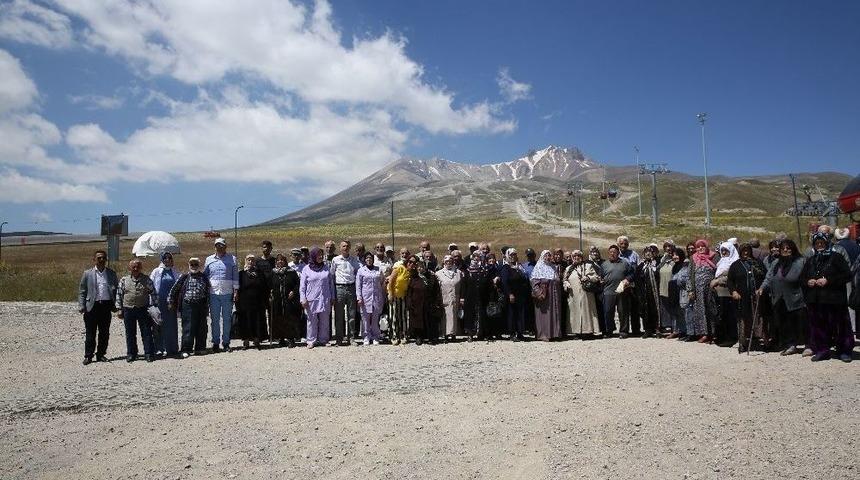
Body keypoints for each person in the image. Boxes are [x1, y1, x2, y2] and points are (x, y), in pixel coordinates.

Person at [802, 232, 854, 362]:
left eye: (822, 243)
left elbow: (847, 275)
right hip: (816, 300)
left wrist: (828, 281)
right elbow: (802, 278)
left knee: (841, 325)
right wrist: (808, 281)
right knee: (818, 326)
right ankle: (822, 350)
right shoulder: (811, 260)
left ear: (827, 243)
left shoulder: (836, 257)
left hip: (835, 299)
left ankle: (844, 351)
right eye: (817, 243)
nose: (820, 245)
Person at [758, 239, 806, 355]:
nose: (785, 250)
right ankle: (790, 344)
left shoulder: (801, 261)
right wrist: (762, 288)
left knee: (800, 323)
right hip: (779, 297)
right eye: (783, 248)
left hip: (797, 297)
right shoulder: (776, 263)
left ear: (793, 248)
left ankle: (808, 345)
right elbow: (769, 278)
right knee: (785, 323)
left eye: (788, 248)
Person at [78, 250, 118, 365]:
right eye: (99, 258)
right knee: (90, 333)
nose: (101, 260)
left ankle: (101, 354)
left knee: (104, 332)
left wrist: (117, 305)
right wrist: (81, 305)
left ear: (106, 260)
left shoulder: (111, 273)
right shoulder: (87, 274)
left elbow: (116, 290)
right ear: (94, 259)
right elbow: (82, 291)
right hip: (92, 307)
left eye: (103, 258)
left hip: (106, 306)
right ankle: (88, 356)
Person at [727, 243, 767, 353]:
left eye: (747, 250)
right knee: (743, 319)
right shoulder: (736, 265)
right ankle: (743, 342)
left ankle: (762, 341)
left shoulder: (757, 263)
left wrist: (761, 288)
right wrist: (734, 291)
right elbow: (730, 280)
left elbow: (765, 276)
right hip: (742, 297)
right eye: (743, 251)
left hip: (757, 296)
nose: (746, 253)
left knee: (759, 317)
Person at [168, 257, 210, 357]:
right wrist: (170, 302)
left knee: (201, 327)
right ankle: (186, 349)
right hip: (188, 305)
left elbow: (208, 290)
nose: (194, 266)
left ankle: (200, 348)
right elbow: (173, 290)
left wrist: (207, 306)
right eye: (192, 264)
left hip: (201, 304)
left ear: (199, 266)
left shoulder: (203, 277)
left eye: (196, 264)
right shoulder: (184, 277)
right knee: (188, 328)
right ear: (189, 265)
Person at [116, 259, 156, 362]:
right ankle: (132, 354)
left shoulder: (147, 280)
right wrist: (119, 309)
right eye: (133, 267)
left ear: (141, 268)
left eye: (138, 266)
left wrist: (153, 307)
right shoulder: (124, 280)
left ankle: (149, 353)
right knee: (130, 333)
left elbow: (153, 293)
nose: (135, 268)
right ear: (129, 268)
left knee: (146, 332)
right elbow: (119, 295)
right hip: (128, 309)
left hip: (143, 309)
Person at [204, 238, 239, 353]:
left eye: (222, 245)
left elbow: (235, 277)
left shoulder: (232, 259)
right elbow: (205, 276)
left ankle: (226, 342)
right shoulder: (209, 259)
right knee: (215, 319)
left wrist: (236, 291)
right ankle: (215, 342)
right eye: (217, 245)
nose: (219, 247)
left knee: (227, 319)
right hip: (213, 293)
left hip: (227, 292)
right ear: (215, 247)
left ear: (225, 246)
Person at [562, 250, 601, 337]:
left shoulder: (588, 266)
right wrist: (566, 284)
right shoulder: (568, 269)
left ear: (582, 257)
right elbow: (564, 280)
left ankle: (588, 331)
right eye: (574, 256)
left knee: (587, 312)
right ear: (572, 257)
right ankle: (576, 331)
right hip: (573, 294)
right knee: (574, 312)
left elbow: (596, 277)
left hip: (586, 294)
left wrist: (587, 277)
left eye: (578, 256)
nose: (576, 258)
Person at [300, 247, 334, 349]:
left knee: (325, 320)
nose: (320, 257)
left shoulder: (326, 267)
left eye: (321, 255)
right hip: (311, 298)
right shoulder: (306, 269)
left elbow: (331, 284)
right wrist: (303, 299)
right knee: (311, 320)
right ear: (313, 256)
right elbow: (302, 286)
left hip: (325, 298)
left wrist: (333, 297)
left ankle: (323, 339)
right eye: (318, 255)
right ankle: (311, 340)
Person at [687, 239, 719, 344]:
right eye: (698, 247)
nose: (700, 248)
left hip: (711, 289)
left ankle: (714, 333)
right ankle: (704, 333)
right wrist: (690, 290)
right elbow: (690, 274)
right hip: (698, 290)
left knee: (712, 310)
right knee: (700, 312)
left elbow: (718, 271)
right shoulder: (693, 258)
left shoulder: (714, 256)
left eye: (703, 246)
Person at [406, 255, 443, 344]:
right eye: (418, 267)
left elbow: (437, 290)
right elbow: (409, 292)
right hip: (416, 303)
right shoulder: (413, 278)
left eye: (422, 267)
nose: (420, 268)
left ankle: (431, 337)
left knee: (430, 320)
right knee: (418, 321)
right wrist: (409, 302)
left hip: (429, 303)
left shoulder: (431, 277)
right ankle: (419, 337)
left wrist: (437, 302)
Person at [331, 240, 361, 345]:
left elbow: (358, 273)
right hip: (339, 288)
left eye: (347, 246)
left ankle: (351, 338)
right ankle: (339, 338)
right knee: (339, 315)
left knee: (351, 314)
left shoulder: (354, 260)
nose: (345, 247)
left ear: (350, 248)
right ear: (340, 248)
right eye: (343, 246)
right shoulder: (335, 260)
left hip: (351, 287)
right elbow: (332, 275)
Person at [150, 252, 179, 357]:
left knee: (171, 325)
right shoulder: (156, 271)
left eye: (169, 258)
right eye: (165, 258)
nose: (167, 260)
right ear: (162, 259)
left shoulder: (174, 271)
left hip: (171, 303)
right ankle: (159, 349)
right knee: (158, 325)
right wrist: (152, 302)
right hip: (159, 302)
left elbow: (178, 285)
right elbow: (151, 286)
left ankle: (172, 348)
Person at [601, 245, 634, 338]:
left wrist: (628, 279)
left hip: (622, 291)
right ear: (608, 253)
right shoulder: (604, 264)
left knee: (623, 311)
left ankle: (624, 331)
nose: (612, 253)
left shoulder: (625, 263)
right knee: (608, 312)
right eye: (611, 252)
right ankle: (609, 331)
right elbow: (600, 275)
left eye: (614, 252)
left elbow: (632, 273)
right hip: (608, 291)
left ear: (618, 253)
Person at [711, 242, 740, 347]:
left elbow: (732, 277)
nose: (723, 252)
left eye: (726, 250)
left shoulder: (734, 261)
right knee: (721, 316)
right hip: (719, 293)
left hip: (728, 292)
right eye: (722, 250)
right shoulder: (721, 261)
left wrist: (718, 281)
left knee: (729, 316)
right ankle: (721, 337)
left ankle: (731, 338)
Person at [270, 254, 301, 347]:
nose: (280, 262)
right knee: (279, 319)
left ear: (285, 261)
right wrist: (270, 292)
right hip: (277, 299)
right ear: (276, 262)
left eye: (282, 260)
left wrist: (294, 292)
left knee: (290, 319)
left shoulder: (291, 272)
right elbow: (269, 284)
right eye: (278, 260)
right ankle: (281, 339)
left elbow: (298, 284)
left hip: (289, 300)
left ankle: (291, 339)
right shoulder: (273, 272)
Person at [530, 250, 563, 341]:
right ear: (542, 256)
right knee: (544, 315)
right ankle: (544, 334)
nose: (548, 257)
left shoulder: (553, 267)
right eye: (546, 255)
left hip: (554, 295)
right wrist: (539, 293)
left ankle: (554, 334)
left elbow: (557, 279)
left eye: (549, 255)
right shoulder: (538, 267)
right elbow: (534, 282)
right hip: (544, 296)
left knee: (554, 314)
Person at [356, 251, 385, 345]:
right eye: (367, 258)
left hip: (376, 297)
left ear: (373, 259)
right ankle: (366, 336)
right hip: (365, 297)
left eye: (370, 258)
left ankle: (375, 336)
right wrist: (359, 297)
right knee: (365, 318)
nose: (369, 260)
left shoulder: (378, 269)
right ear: (364, 260)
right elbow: (358, 285)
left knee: (375, 317)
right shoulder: (361, 270)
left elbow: (382, 282)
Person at [500, 248, 529, 341]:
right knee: (511, 314)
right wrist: (509, 294)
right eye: (511, 255)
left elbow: (524, 278)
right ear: (508, 256)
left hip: (520, 295)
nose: (513, 257)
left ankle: (520, 332)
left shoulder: (519, 267)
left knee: (520, 314)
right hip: (511, 295)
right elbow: (505, 282)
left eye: (514, 254)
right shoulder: (506, 268)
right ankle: (512, 333)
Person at [462, 251, 490, 340]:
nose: (476, 258)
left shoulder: (484, 270)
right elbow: (464, 285)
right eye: (475, 256)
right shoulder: (468, 270)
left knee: (481, 315)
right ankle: (470, 334)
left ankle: (481, 333)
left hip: (482, 296)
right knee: (470, 315)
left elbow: (488, 284)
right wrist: (462, 297)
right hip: (470, 296)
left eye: (478, 256)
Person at [435, 254, 464, 340]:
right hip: (444, 297)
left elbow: (462, 286)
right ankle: (446, 334)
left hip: (455, 297)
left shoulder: (459, 273)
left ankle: (454, 334)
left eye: (450, 261)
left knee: (454, 316)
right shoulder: (438, 273)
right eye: (447, 261)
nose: (449, 263)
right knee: (445, 316)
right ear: (444, 262)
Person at [617, 236, 642, 336]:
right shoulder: (616, 254)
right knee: (623, 309)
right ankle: (624, 331)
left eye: (626, 244)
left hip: (633, 285)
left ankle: (636, 330)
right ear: (618, 244)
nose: (624, 245)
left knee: (635, 308)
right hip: (621, 286)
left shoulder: (634, 254)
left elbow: (639, 268)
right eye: (621, 243)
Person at [635, 245, 661, 338]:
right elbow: (637, 280)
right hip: (644, 292)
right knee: (645, 310)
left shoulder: (657, 264)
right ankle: (647, 329)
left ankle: (657, 328)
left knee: (656, 309)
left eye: (650, 252)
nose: (648, 254)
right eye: (646, 252)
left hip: (655, 292)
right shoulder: (641, 266)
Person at [386, 251, 411, 345]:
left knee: (403, 317)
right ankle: (394, 336)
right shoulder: (398, 267)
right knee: (394, 317)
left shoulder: (409, 270)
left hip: (403, 296)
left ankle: (404, 335)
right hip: (394, 295)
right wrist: (390, 293)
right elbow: (391, 280)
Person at [669, 248, 690, 340]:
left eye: (676, 255)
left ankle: (687, 332)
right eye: (673, 255)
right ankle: (680, 331)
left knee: (684, 311)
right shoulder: (675, 266)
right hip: (675, 292)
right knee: (677, 312)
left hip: (683, 291)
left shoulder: (685, 265)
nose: (674, 257)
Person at [657, 241, 677, 335]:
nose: (668, 248)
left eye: (670, 246)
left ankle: (675, 328)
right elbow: (657, 269)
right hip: (663, 286)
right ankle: (666, 326)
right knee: (665, 308)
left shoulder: (676, 257)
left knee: (674, 308)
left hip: (673, 287)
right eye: (666, 247)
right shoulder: (662, 258)